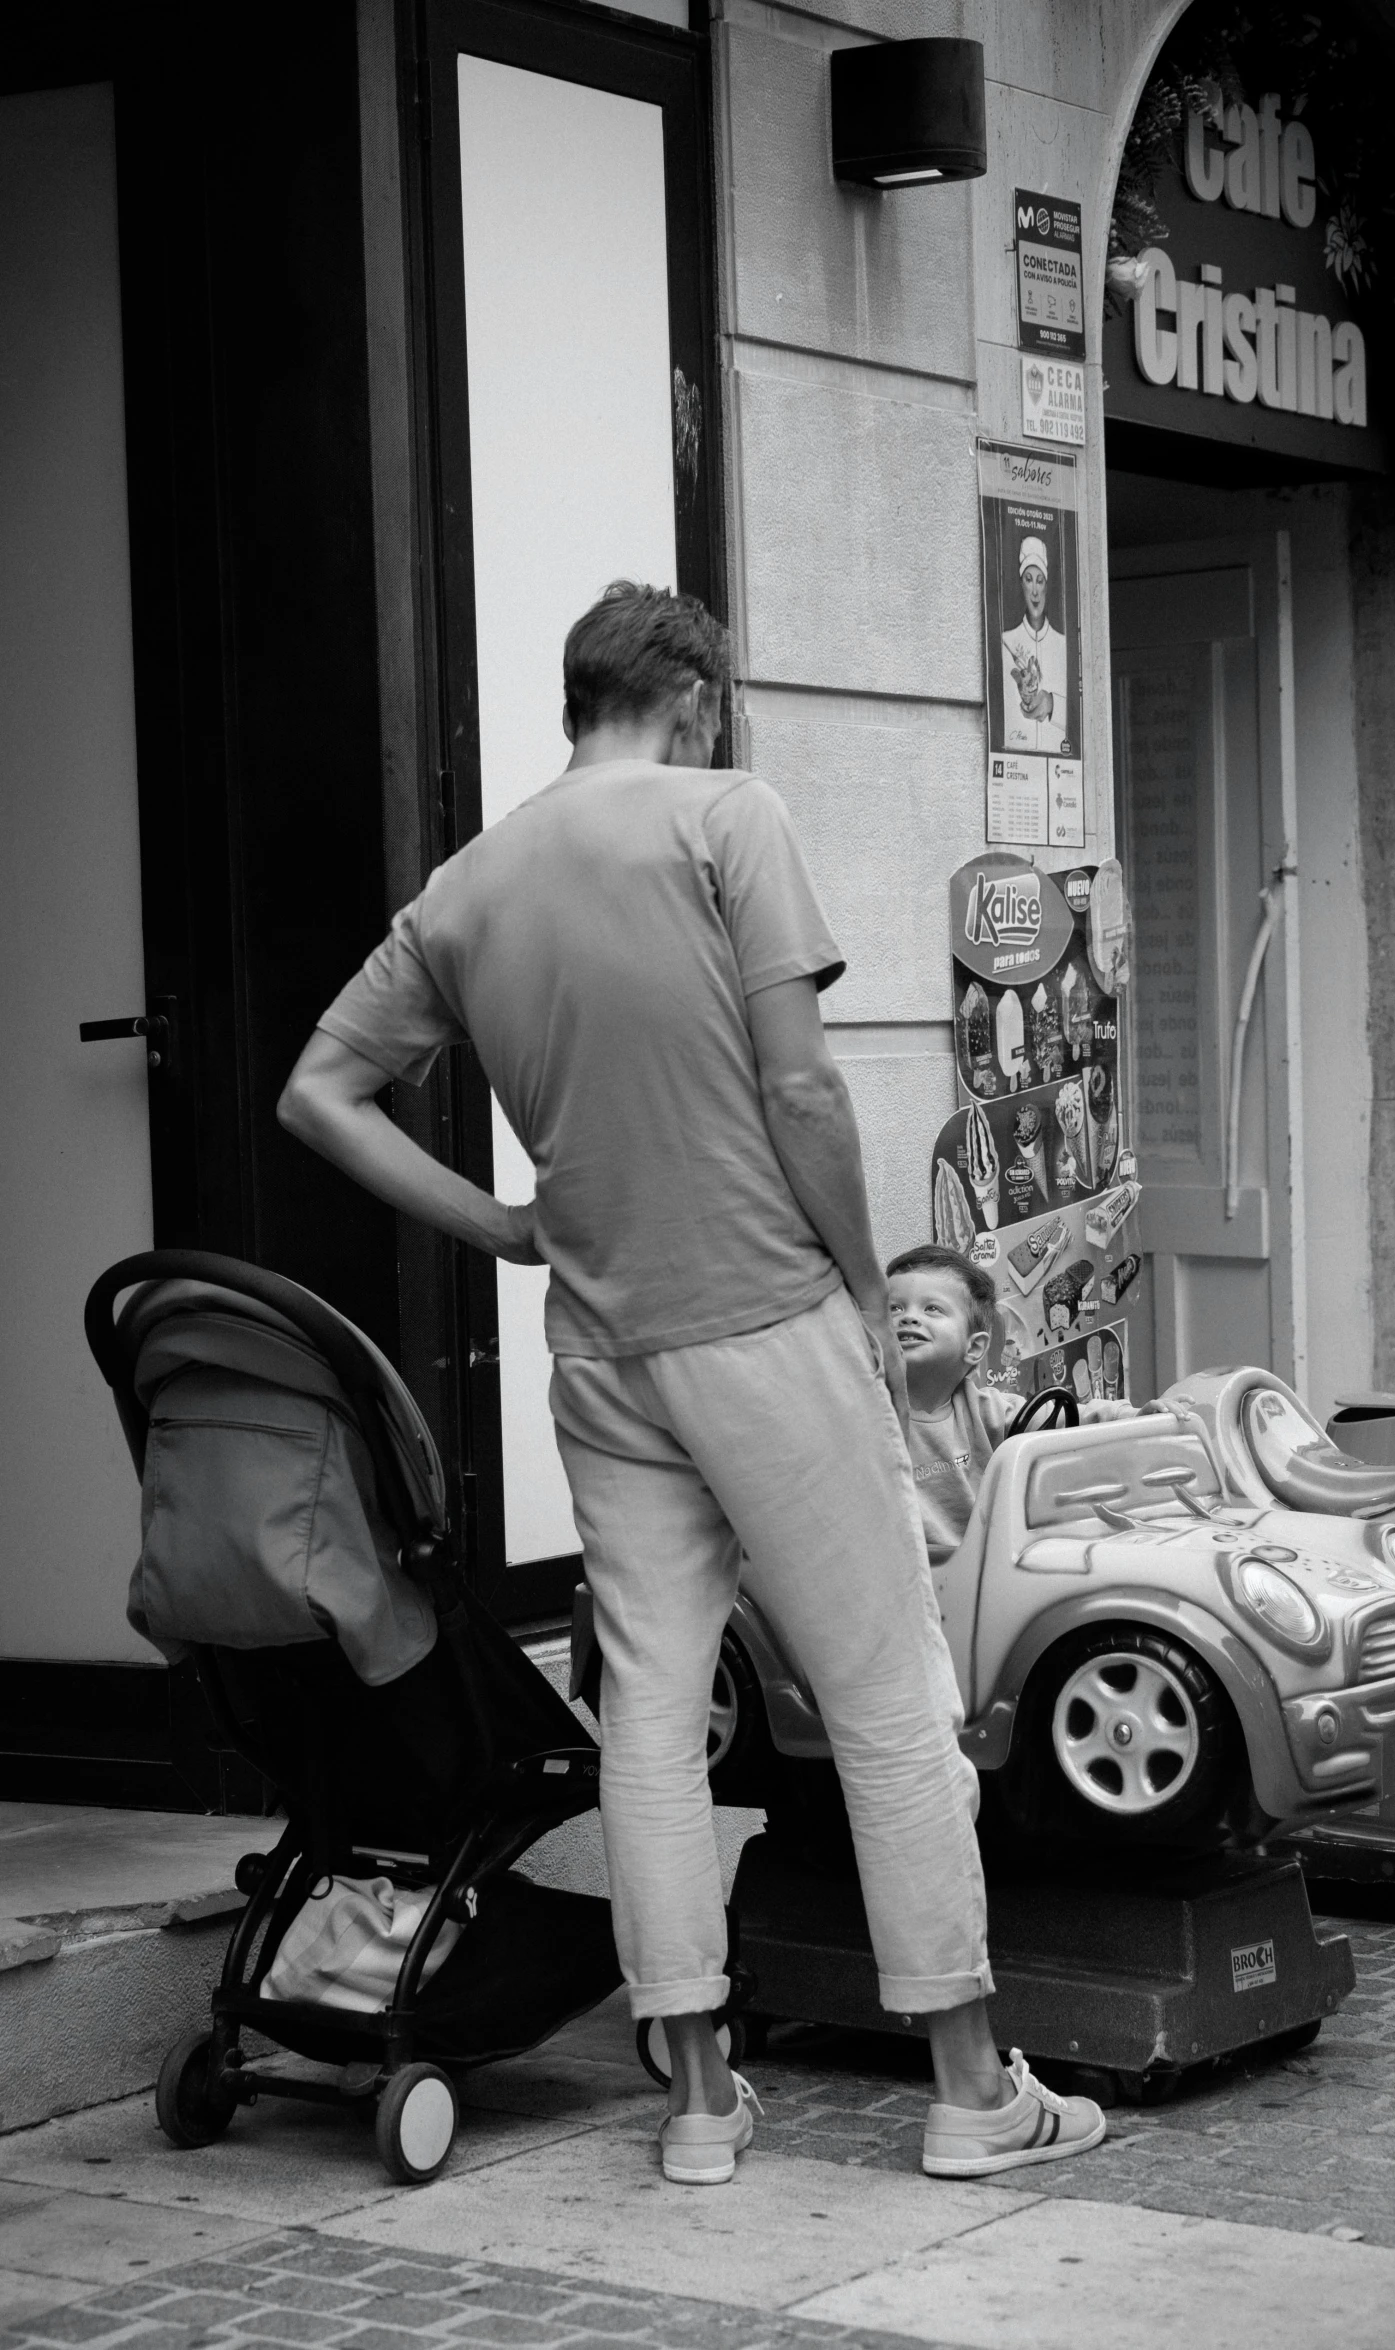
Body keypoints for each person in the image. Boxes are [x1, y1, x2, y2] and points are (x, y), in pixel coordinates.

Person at [278, 583, 1105, 2187]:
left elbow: (319, 1093)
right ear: (696, 693)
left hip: (600, 1345)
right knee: (884, 1695)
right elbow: (799, 1082)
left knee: (647, 1716)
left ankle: (701, 2102)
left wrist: (508, 1227)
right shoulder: (727, 815)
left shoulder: (462, 888)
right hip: (760, 1316)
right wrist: (869, 1289)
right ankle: (966, 2088)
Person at [890, 1245, 1022, 1566]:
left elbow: (1072, 1418)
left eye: (932, 1309)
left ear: (974, 1347)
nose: (908, 1316)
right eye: (892, 1309)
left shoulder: (984, 1409)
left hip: (984, 1574)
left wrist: (1137, 1414)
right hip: (907, 1580)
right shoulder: (863, 1414)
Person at [1001, 532, 1068, 754]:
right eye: (1029, 580)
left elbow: (1083, 717)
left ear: (1047, 585)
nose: (1035, 591)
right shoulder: (1007, 643)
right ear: (1021, 584)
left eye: (1040, 580)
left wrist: (1051, 704)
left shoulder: (1063, 645)